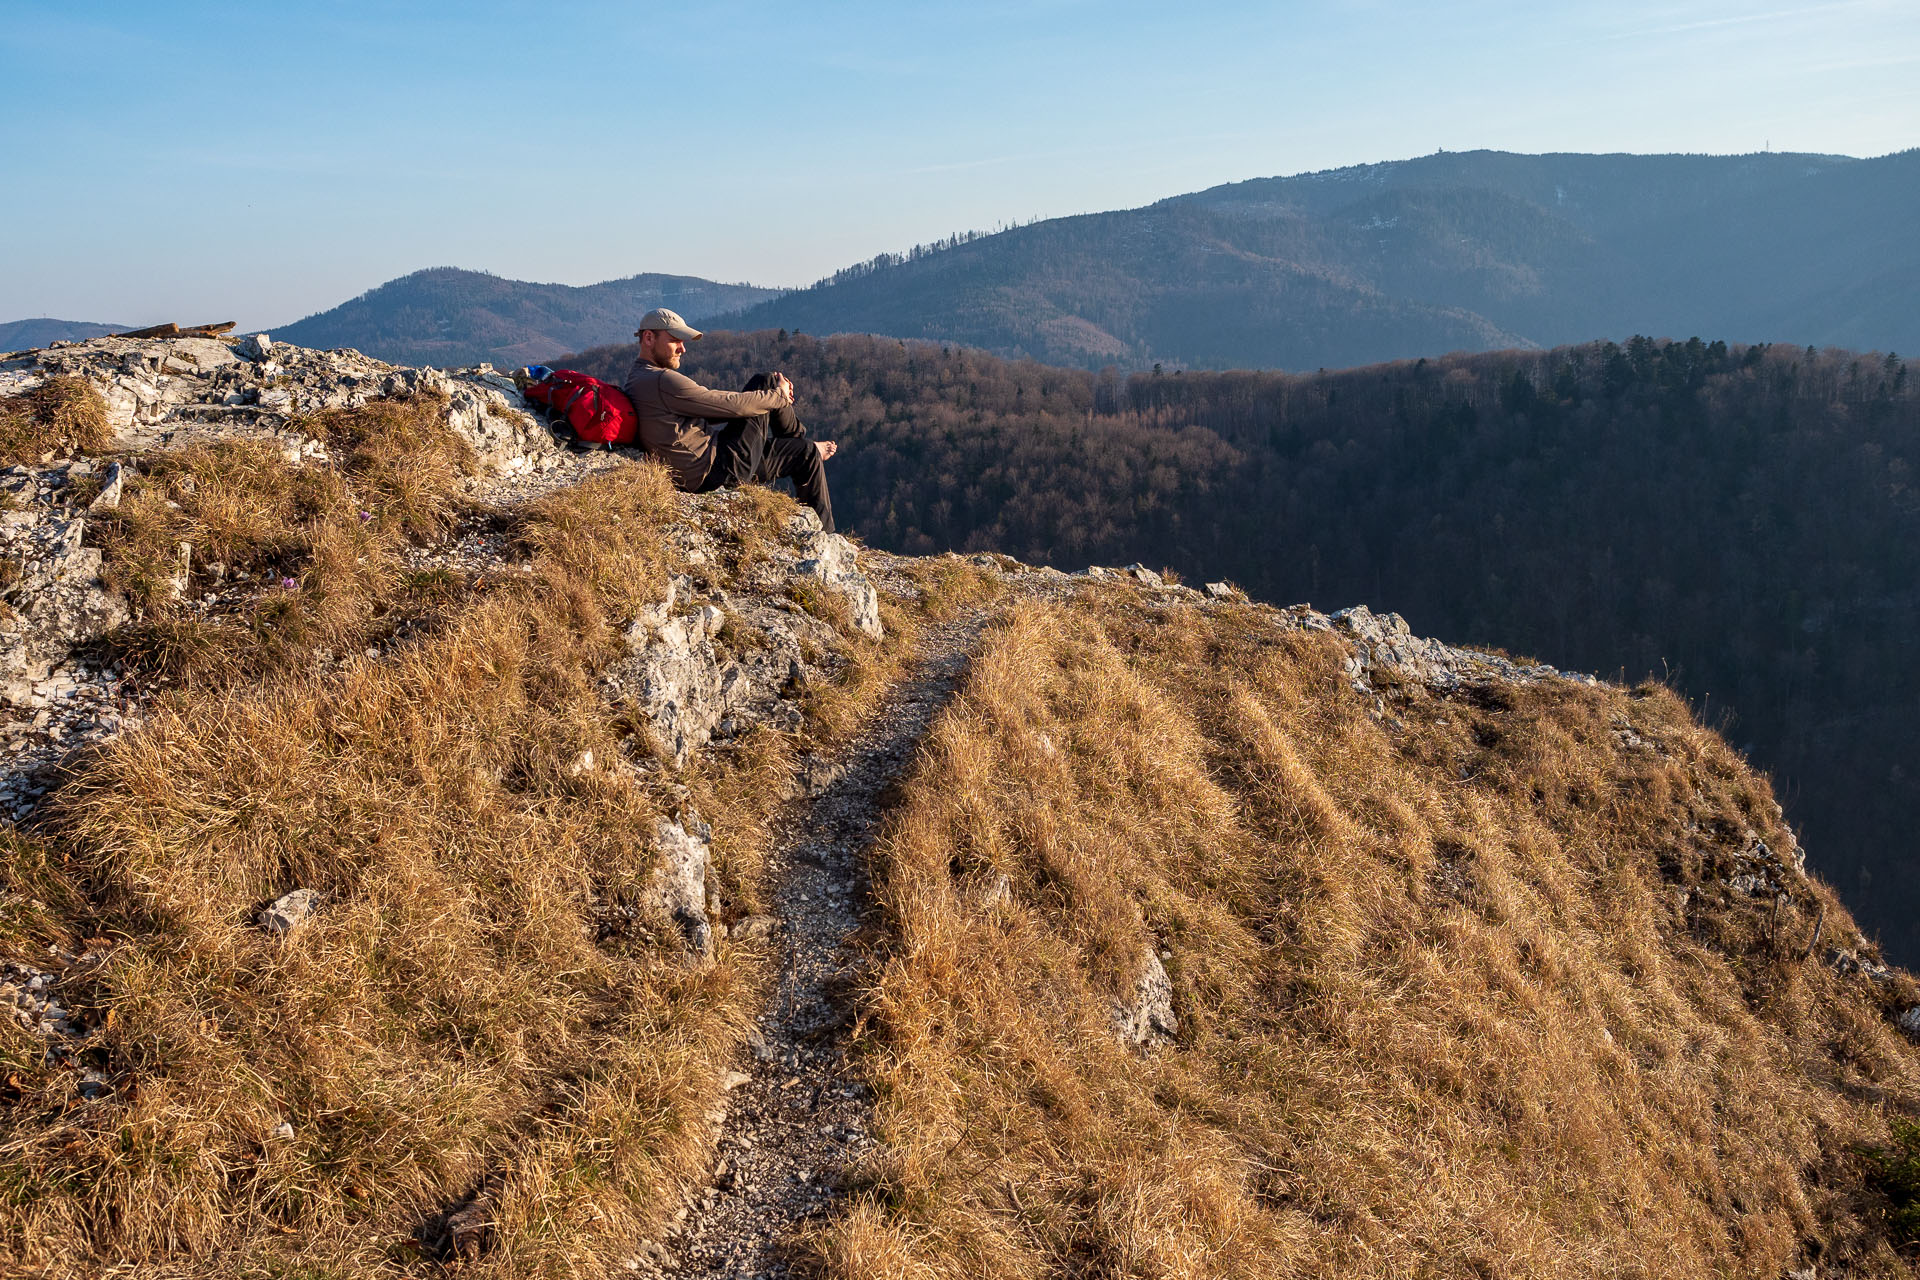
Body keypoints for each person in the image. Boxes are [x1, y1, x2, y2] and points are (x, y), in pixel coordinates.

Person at [624, 307, 838, 533]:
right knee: (766, 381)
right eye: (675, 340)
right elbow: (726, 405)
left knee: (806, 454)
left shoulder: (639, 378)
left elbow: (711, 411)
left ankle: (826, 535)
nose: (682, 348)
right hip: (717, 471)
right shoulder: (661, 380)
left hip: (711, 464)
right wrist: (778, 396)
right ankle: (796, 437)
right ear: (649, 337)